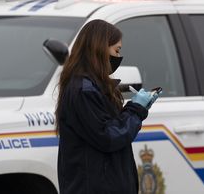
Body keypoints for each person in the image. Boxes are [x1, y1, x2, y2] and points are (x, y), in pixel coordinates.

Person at [55, 19, 159, 194]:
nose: (118, 57)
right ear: (99, 48)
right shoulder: (84, 90)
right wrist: (136, 110)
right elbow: (109, 136)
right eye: (116, 50)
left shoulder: (90, 87)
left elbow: (108, 128)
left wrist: (133, 107)